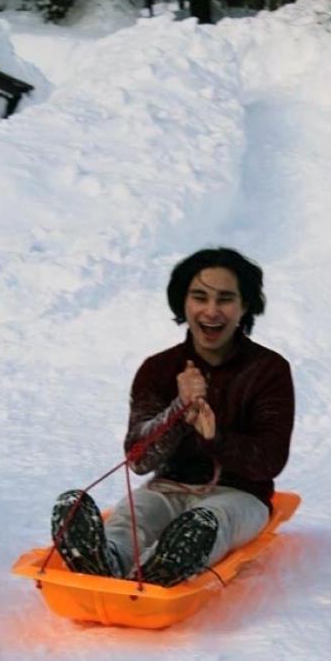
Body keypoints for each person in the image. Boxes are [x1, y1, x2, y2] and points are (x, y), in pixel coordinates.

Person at [51, 247, 295, 586]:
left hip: (241, 496)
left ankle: (163, 564)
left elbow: (270, 462)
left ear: (244, 306)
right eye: (199, 297)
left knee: (212, 521)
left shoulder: (269, 370)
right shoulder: (158, 369)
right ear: (184, 302)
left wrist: (215, 438)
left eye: (225, 299)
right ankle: (106, 559)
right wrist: (178, 411)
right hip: (167, 489)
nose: (211, 311)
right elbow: (138, 460)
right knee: (131, 520)